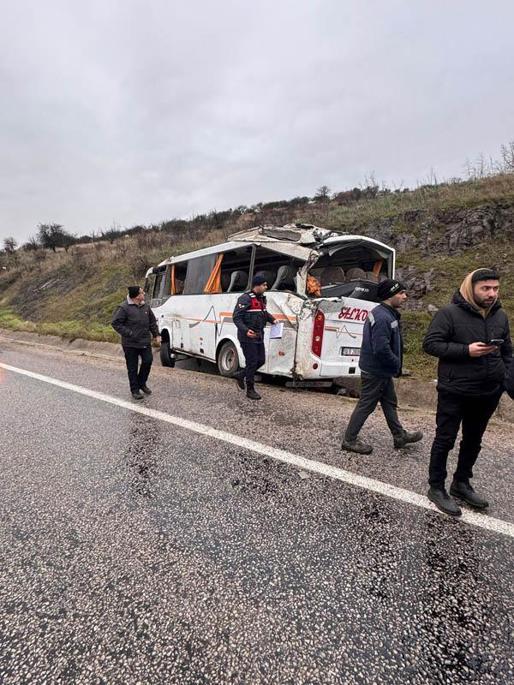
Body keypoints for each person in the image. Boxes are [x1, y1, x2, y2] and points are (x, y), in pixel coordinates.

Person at [423, 268, 512, 516]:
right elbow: (430, 344)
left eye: (495, 288)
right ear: (470, 288)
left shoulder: (500, 316)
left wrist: (506, 379)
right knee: (445, 439)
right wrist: (466, 351)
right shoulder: (448, 314)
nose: (492, 293)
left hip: (488, 392)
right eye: (486, 288)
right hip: (455, 389)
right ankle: (436, 487)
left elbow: (507, 351)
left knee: (474, 440)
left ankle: (461, 483)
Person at [341, 279, 423, 454]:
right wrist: (397, 363)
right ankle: (349, 440)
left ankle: (399, 435)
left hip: (381, 370)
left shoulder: (385, 313)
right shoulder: (383, 317)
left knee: (389, 402)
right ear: (389, 295)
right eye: (401, 293)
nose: (405, 296)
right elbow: (381, 348)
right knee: (366, 405)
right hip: (376, 370)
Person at [112, 285, 161, 400]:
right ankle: (135, 390)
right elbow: (116, 323)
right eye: (142, 293)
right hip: (130, 344)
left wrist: (156, 334)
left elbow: (152, 322)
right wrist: (129, 333)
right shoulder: (124, 308)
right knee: (132, 367)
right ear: (136, 296)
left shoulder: (146, 307)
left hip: (144, 341)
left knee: (148, 361)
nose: (144, 294)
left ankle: (142, 383)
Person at [233, 274, 277, 400]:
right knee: (252, 362)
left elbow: (263, 313)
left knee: (261, 360)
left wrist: (273, 320)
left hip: (258, 335)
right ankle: (250, 390)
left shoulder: (262, 299)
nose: (266, 287)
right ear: (257, 285)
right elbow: (236, 317)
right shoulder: (245, 298)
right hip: (247, 336)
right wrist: (246, 331)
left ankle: (241, 374)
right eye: (264, 285)